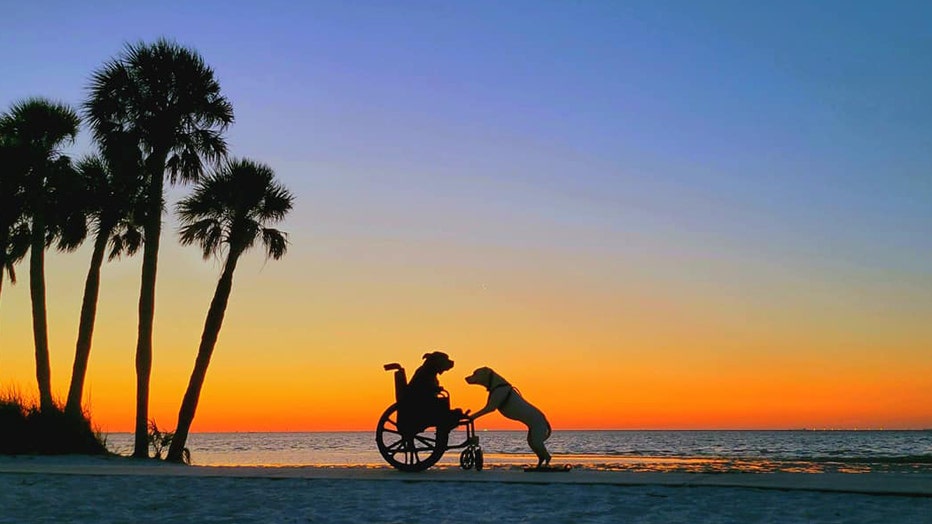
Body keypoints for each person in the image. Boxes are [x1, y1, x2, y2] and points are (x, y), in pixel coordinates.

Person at [404, 351, 465, 432]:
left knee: (456, 413)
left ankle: (443, 433)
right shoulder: (425, 373)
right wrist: (436, 389)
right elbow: (423, 390)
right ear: (437, 363)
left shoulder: (425, 371)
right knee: (452, 416)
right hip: (423, 409)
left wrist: (436, 389)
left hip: (423, 407)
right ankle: (441, 440)